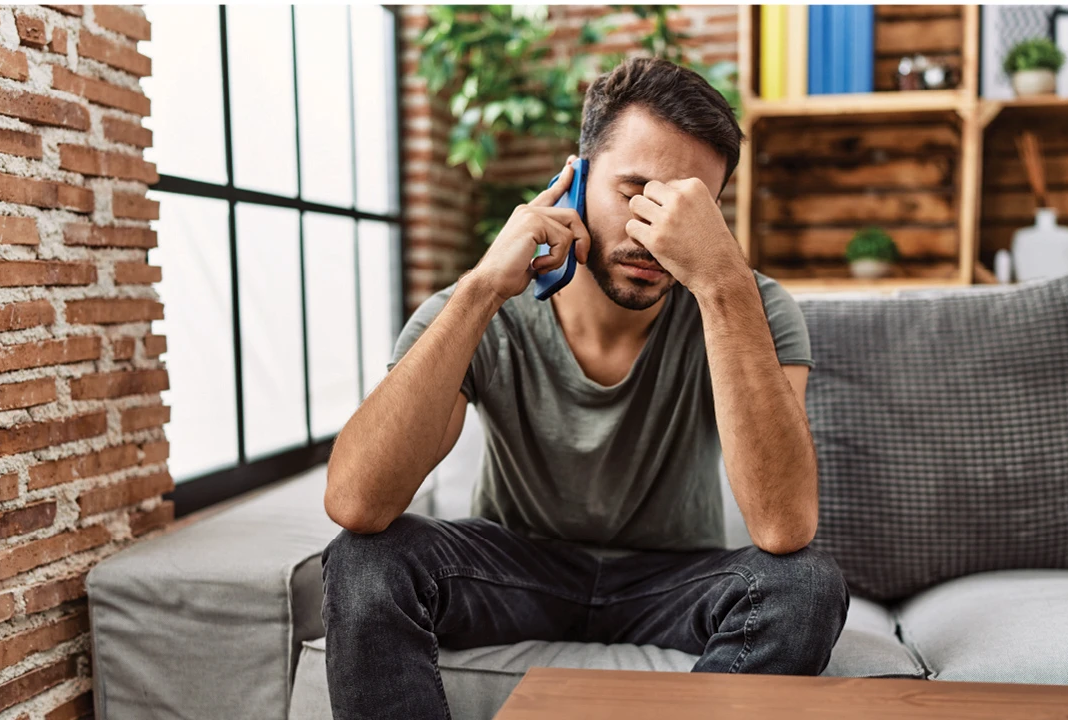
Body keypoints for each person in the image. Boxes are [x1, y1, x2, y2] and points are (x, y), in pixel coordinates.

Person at [320, 56, 849, 720]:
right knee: (363, 561)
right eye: (634, 191)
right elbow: (356, 503)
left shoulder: (748, 305)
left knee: (806, 585)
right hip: (512, 569)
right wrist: (481, 290)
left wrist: (723, 284)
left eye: (684, 205)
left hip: (668, 580)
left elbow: (783, 526)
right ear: (573, 180)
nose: (652, 234)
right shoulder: (483, 304)